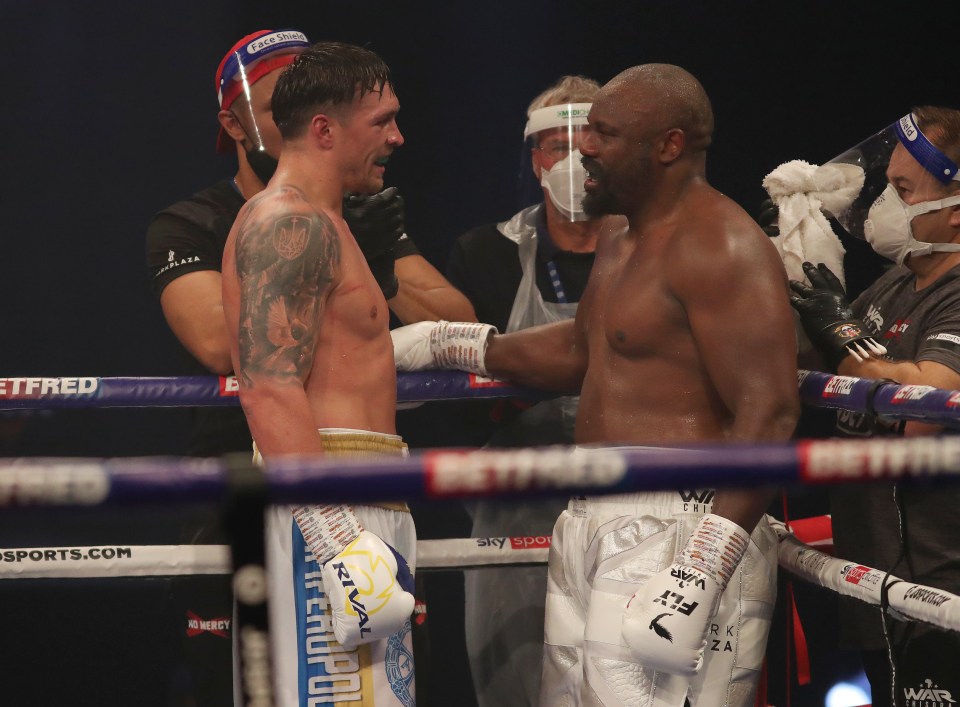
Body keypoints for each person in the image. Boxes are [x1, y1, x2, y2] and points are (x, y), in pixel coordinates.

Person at [392, 63, 800, 706]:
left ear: (667, 145)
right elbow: (587, 348)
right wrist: (458, 343)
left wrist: (705, 565)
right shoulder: (621, 231)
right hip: (591, 512)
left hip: (685, 522)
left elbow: (770, 410)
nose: (584, 147)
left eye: (604, 133)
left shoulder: (721, 244)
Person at [146, 28, 475, 457]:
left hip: (365, 463)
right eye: (278, 107)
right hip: (242, 475)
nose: (292, 117)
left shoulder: (355, 212)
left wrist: (369, 258)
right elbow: (221, 343)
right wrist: (322, 517)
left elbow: (455, 315)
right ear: (234, 124)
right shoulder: (193, 222)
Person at [221, 40, 419, 706]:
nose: (397, 136)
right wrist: (337, 541)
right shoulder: (289, 225)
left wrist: (449, 341)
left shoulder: (329, 223)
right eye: (382, 120)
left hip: (363, 496)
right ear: (326, 130)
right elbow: (267, 384)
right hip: (329, 506)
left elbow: (345, 349)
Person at [446, 74, 615, 707]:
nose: (572, 160)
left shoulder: (661, 252)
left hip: (636, 496)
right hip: (514, 505)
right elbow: (454, 407)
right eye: (555, 146)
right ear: (534, 158)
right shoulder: (485, 254)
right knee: (513, 680)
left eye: (588, 142)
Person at [788, 106, 960, 707]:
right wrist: (781, 259)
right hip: (880, 580)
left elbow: (930, 398)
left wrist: (837, 327)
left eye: (903, 189)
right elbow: (811, 356)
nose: (885, 201)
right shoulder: (895, 281)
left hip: (940, 592)